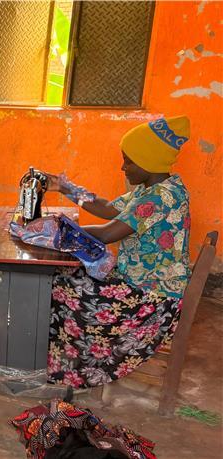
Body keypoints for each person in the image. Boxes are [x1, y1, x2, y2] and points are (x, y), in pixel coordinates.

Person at [42, 116, 191, 388]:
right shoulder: (150, 189)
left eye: (129, 161)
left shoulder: (160, 197)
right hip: (139, 284)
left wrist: (57, 230)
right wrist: (65, 187)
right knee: (61, 277)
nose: (123, 167)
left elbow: (109, 232)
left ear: (149, 161)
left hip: (151, 301)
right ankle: (53, 359)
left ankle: (68, 369)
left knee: (58, 289)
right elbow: (107, 208)